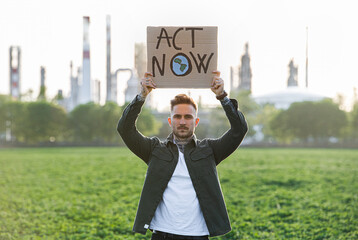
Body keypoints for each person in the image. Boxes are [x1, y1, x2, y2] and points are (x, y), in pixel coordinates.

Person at [117, 71, 248, 240]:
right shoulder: (154, 150)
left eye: (188, 117)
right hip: (162, 234)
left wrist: (222, 96)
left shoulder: (210, 150)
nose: (183, 122)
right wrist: (142, 96)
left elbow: (239, 130)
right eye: (177, 117)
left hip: (198, 235)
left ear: (196, 121)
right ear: (170, 121)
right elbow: (125, 129)